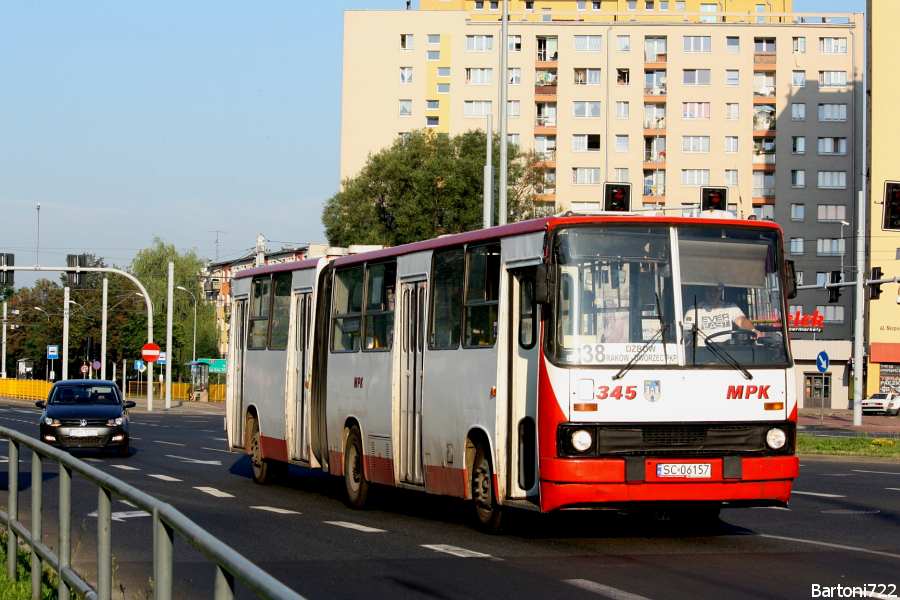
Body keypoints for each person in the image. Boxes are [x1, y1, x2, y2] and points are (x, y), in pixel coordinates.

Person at [683, 284, 758, 344]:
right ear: (704, 291)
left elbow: (742, 321)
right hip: (703, 354)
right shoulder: (694, 310)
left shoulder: (731, 307)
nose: (712, 293)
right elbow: (687, 333)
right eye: (709, 290)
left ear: (721, 291)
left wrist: (753, 330)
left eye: (716, 290)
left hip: (727, 353)